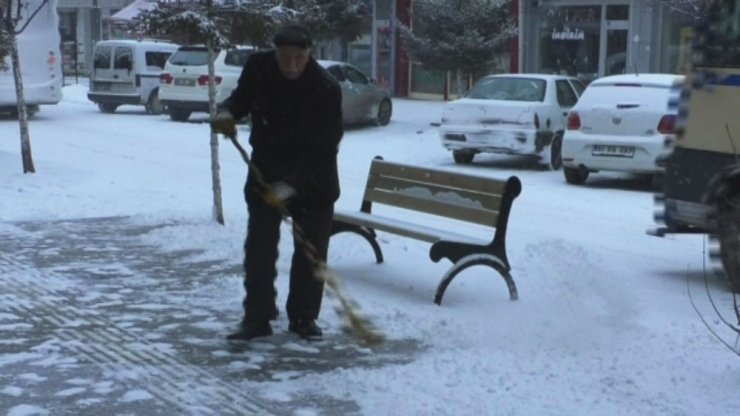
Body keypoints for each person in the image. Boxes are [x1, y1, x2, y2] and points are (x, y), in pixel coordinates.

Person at [211, 23, 343, 341]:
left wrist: (289, 186)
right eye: (285, 57)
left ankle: (303, 318)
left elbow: (326, 148)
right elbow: (241, 99)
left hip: (313, 180)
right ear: (275, 52)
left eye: (298, 57)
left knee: (310, 251)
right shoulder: (259, 68)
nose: (291, 64)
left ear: (309, 54)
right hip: (265, 171)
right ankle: (257, 318)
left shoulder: (325, 88)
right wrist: (227, 113)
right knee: (259, 248)